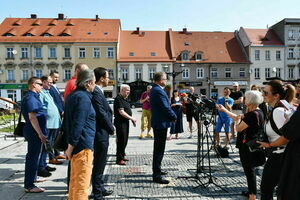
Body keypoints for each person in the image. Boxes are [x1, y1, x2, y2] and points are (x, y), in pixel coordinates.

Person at [216, 90, 265, 200]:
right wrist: (224, 110)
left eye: (246, 98)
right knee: (250, 170)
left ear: (251, 101)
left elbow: (238, 128)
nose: (244, 100)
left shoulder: (251, 115)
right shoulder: (258, 111)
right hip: (253, 145)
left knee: (249, 171)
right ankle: (251, 192)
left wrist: (237, 122)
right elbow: (237, 117)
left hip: (247, 146)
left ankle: (252, 195)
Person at [256, 80, 295, 200]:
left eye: (266, 93)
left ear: (276, 96)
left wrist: (269, 145)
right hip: (280, 155)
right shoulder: (276, 109)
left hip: (280, 156)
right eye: (263, 92)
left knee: (266, 189)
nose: (263, 95)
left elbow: (288, 137)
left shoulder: (278, 111)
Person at [64, 69, 96, 200]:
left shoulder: (72, 95)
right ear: (88, 83)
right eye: (93, 82)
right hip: (83, 146)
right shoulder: (84, 98)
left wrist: (69, 146)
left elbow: (66, 122)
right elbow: (78, 124)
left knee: (74, 182)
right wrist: (70, 147)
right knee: (82, 185)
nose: (94, 85)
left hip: (76, 144)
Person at [91, 67, 115, 199]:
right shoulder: (95, 91)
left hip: (102, 131)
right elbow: (101, 112)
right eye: (107, 76)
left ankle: (99, 187)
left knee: (101, 162)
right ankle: (97, 192)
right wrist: (110, 127)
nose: (108, 79)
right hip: (100, 132)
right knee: (99, 162)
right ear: (101, 79)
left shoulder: (98, 91)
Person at [150, 72, 177, 184]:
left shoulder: (156, 89)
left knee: (159, 149)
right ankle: (156, 175)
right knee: (159, 150)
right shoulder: (157, 90)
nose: (166, 81)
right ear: (160, 80)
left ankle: (158, 170)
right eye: (165, 79)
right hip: (160, 123)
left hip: (160, 122)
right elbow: (165, 107)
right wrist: (173, 116)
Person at [22, 77, 47, 193]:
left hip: (34, 132)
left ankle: (32, 179)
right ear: (33, 84)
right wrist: (40, 133)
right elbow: (32, 117)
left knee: (34, 157)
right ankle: (29, 185)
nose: (42, 86)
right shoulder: (31, 98)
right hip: (34, 133)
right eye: (40, 84)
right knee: (32, 158)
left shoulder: (33, 96)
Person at [38, 76, 61, 178]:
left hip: (53, 123)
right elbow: (41, 108)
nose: (51, 84)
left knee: (49, 145)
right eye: (49, 82)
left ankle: (44, 164)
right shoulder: (41, 93)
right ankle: (41, 167)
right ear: (43, 82)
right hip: (47, 124)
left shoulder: (48, 92)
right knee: (45, 146)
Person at [114, 84, 136, 165]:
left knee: (125, 140)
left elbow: (127, 111)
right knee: (121, 140)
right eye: (127, 90)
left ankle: (122, 155)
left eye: (129, 91)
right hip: (120, 123)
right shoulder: (118, 99)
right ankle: (119, 159)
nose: (128, 92)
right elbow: (121, 112)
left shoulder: (125, 99)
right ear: (122, 90)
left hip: (125, 122)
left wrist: (131, 119)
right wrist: (132, 118)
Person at [49, 71, 66, 161]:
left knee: (57, 135)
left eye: (57, 77)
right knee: (52, 136)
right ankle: (51, 156)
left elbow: (60, 100)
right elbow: (54, 102)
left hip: (59, 114)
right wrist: (61, 110)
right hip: (56, 114)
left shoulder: (55, 87)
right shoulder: (50, 88)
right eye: (55, 77)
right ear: (51, 77)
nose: (57, 79)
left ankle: (57, 153)